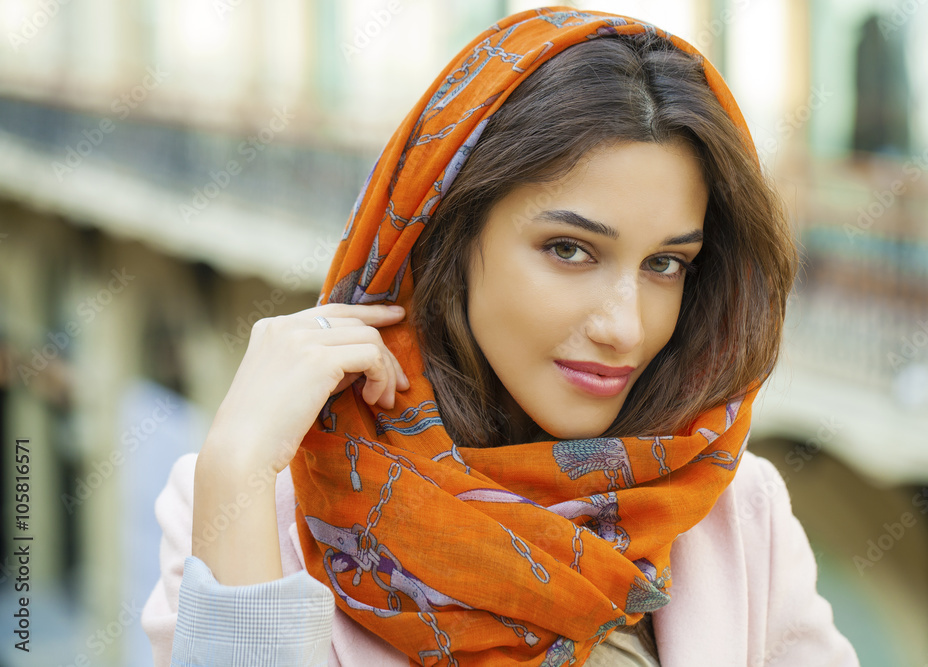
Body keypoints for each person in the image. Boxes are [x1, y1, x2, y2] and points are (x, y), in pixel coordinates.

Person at [142, 6, 860, 666]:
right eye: (569, 250)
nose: (624, 327)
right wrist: (236, 462)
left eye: (666, 263)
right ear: (447, 238)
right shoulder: (254, 513)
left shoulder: (732, 514)